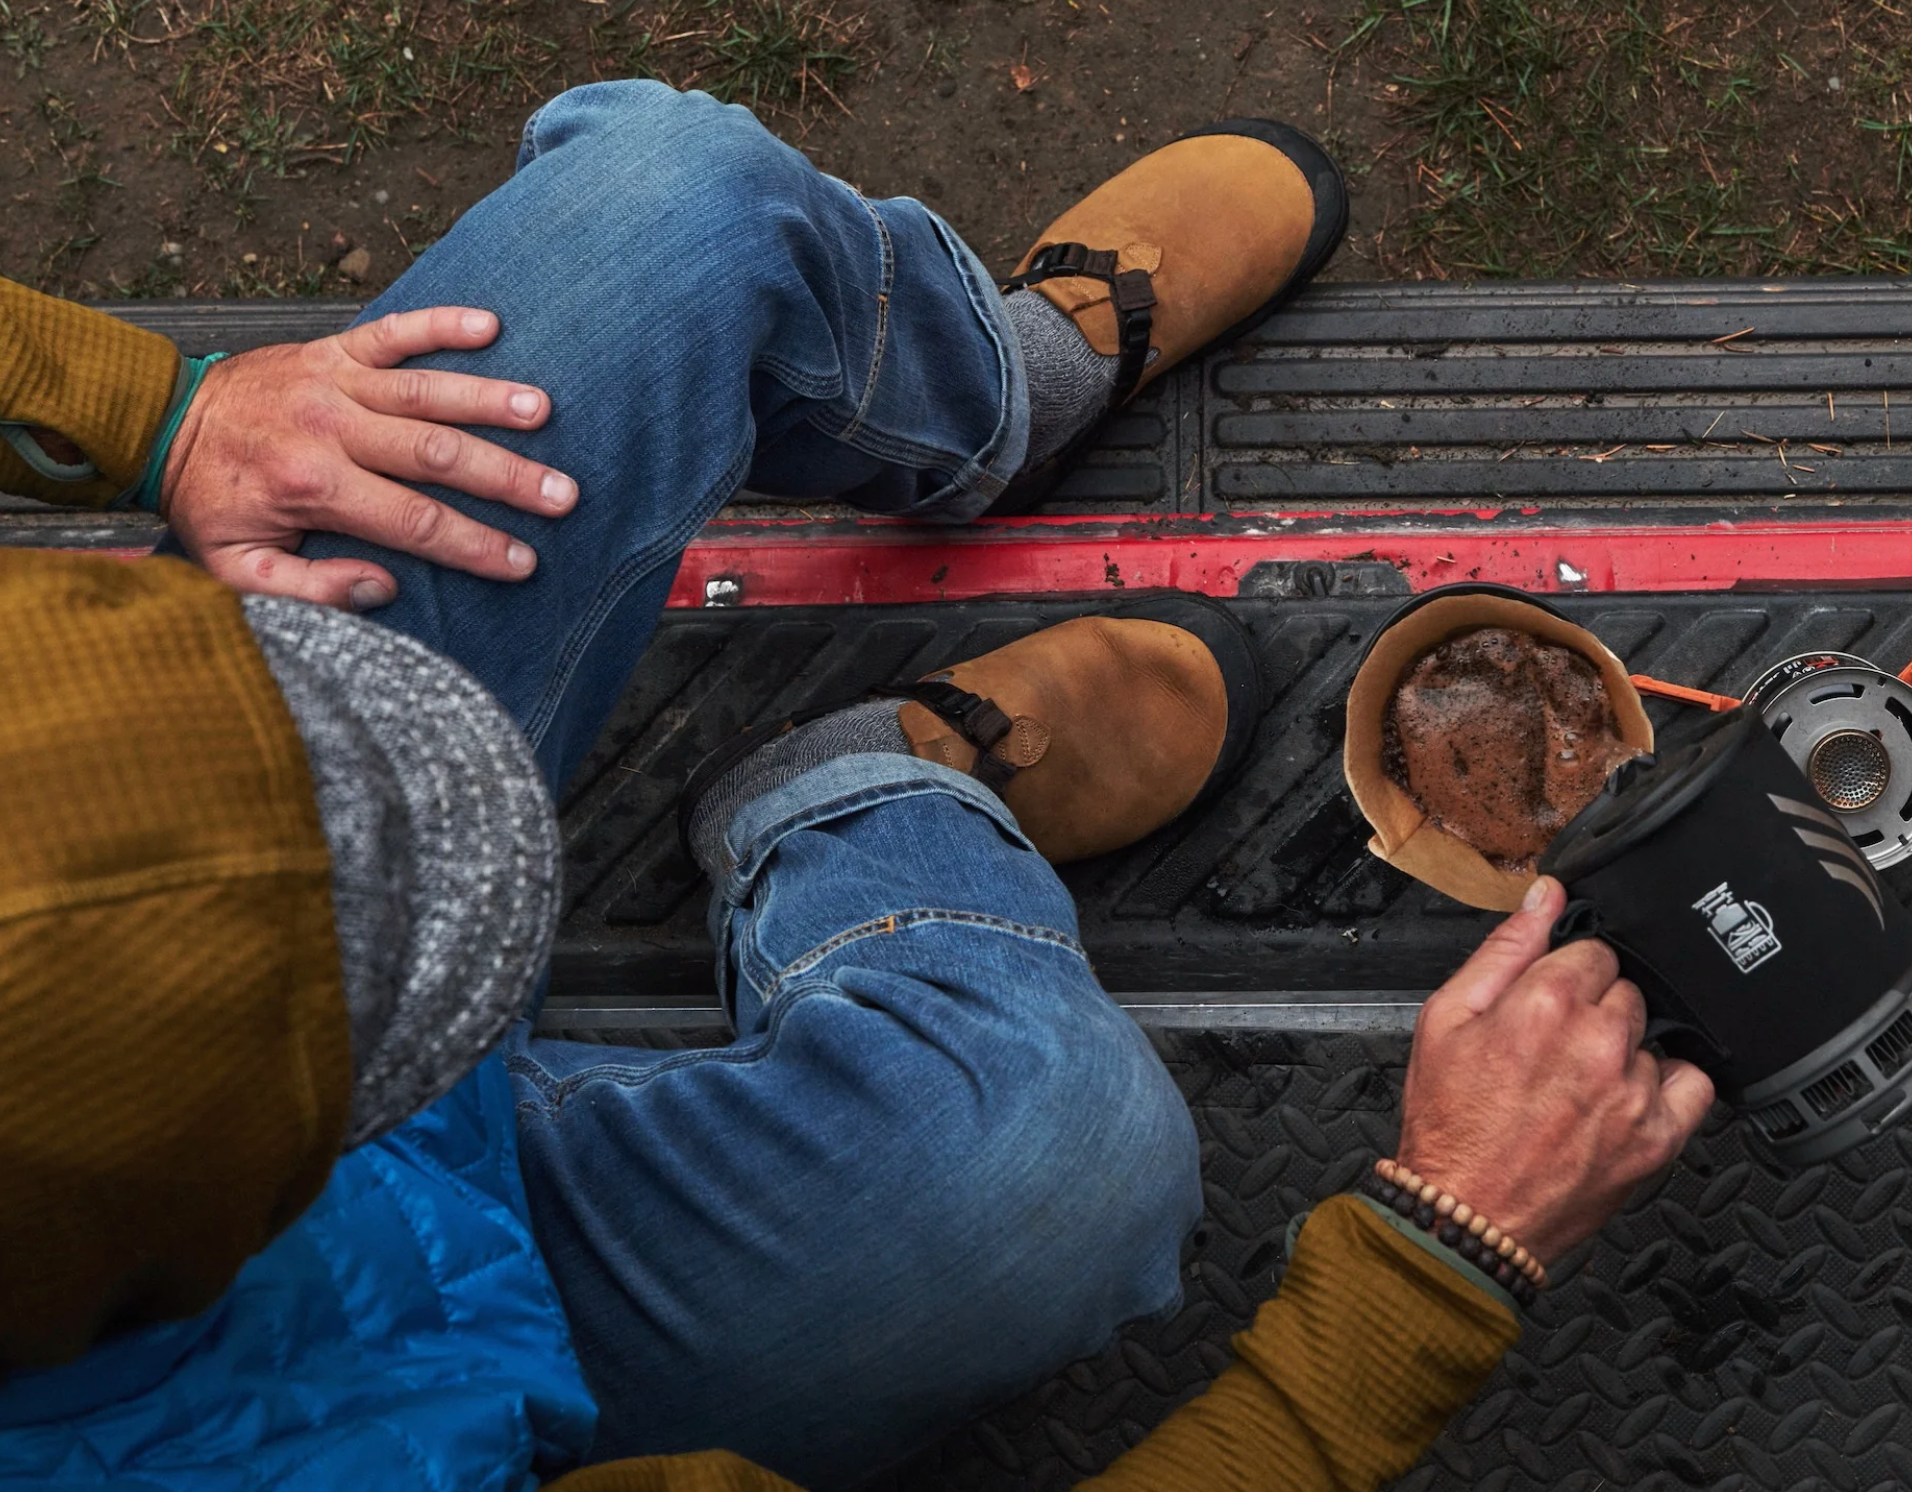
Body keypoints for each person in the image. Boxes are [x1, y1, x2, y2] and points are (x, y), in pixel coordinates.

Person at [0, 82, 1714, 1491]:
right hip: (351, 1371)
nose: (474, 811)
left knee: (677, 206)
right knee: (1058, 1170)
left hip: (131, 915)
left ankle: (987, 393)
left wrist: (143, 405)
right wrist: (1430, 1273)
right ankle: (849, 796)